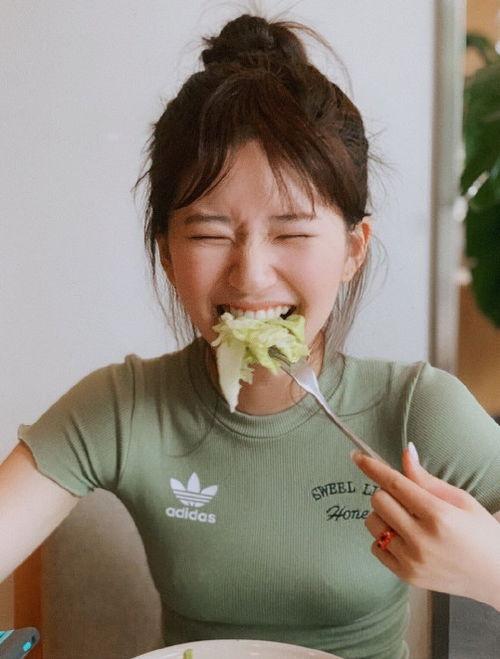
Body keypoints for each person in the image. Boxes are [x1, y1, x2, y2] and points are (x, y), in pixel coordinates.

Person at [1, 12, 500, 659]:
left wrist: (486, 568)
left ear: (353, 249)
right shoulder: (123, 407)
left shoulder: (417, 409)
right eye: (209, 233)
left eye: (291, 232)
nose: (251, 274)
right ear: (167, 253)